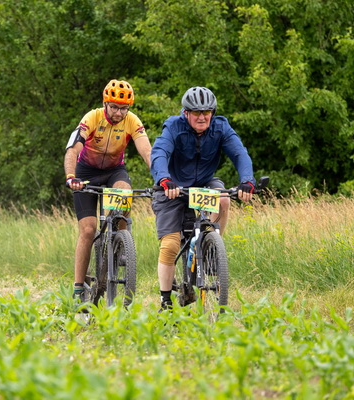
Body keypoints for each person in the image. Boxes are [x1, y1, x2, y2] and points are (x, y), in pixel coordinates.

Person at [150, 86, 255, 311]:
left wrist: (247, 181)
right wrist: (164, 179)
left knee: (224, 198)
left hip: (204, 183)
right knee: (170, 245)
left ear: (212, 112)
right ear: (185, 113)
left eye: (206, 112)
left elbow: (239, 153)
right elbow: (160, 153)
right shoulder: (174, 126)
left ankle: (211, 247)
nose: (202, 117)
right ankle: (165, 301)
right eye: (196, 112)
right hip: (172, 187)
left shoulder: (220, 127)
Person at [64, 79, 152, 300]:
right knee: (88, 229)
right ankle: (78, 286)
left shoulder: (132, 121)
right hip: (86, 172)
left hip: (114, 171)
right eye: (114, 107)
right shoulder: (92, 118)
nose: (119, 113)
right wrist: (71, 176)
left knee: (125, 191)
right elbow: (73, 149)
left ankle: (121, 242)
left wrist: (161, 177)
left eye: (124, 108)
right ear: (105, 104)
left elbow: (147, 151)